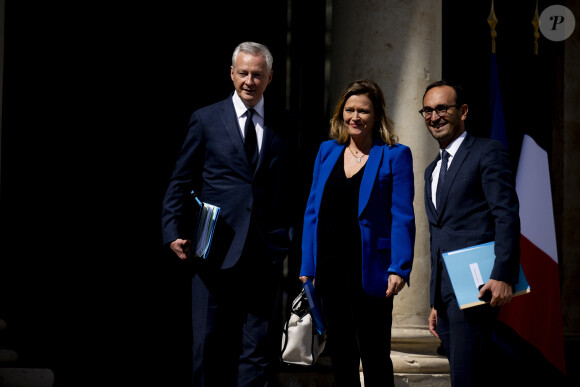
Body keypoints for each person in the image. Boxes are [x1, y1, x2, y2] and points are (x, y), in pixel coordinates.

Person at [161, 41, 302, 387]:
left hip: (264, 252)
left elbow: (294, 187)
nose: (249, 81)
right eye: (243, 73)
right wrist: (170, 229)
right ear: (231, 74)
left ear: (270, 77)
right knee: (207, 343)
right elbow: (181, 178)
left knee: (257, 348)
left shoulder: (286, 124)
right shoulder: (206, 119)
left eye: (257, 74)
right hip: (213, 248)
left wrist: (288, 239)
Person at [299, 79, 416, 387]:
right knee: (341, 355)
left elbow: (402, 215)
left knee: (375, 354)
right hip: (330, 267)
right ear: (341, 114)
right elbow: (312, 211)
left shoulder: (395, 154)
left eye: (363, 111)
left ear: (377, 115)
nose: (355, 117)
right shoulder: (327, 151)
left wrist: (399, 267)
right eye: (349, 110)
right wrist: (307, 268)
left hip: (373, 269)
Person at [421, 80, 520, 386]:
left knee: (468, 378)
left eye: (442, 108)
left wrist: (504, 274)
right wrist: (436, 301)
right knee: (464, 377)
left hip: (478, 286)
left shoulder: (486, 151)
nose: (434, 116)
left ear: (462, 111)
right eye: (427, 110)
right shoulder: (431, 170)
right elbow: (437, 234)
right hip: (446, 294)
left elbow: (506, 214)